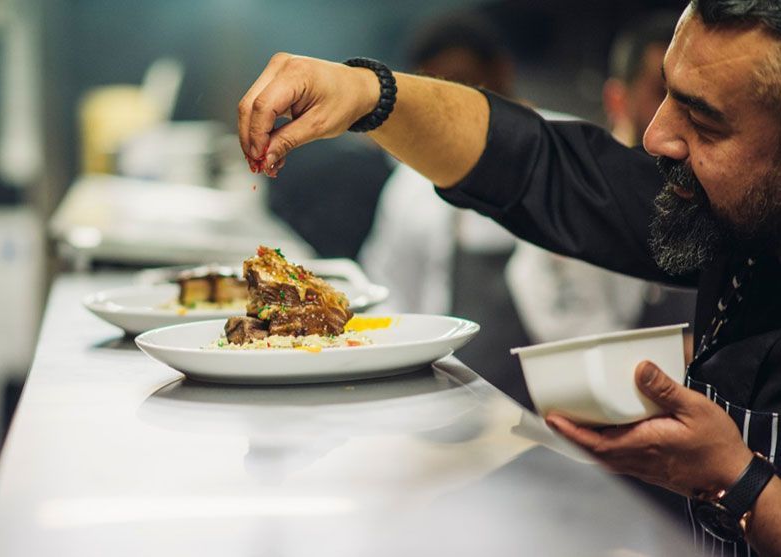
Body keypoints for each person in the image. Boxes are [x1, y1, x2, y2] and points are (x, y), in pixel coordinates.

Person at [236, 1, 781, 554]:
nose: (656, 136)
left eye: (706, 122)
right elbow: (541, 166)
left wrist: (740, 483)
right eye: (664, 94)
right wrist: (368, 95)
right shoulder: (728, 215)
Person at [358, 12, 535, 408]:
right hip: (447, 404)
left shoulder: (564, 165)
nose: (445, 105)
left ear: (501, 72)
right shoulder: (410, 186)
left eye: (459, 84)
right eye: (431, 88)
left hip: (559, 407)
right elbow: (387, 292)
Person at [506, 12, 696, 351]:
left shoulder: (700, 190)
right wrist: (703, 353)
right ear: (618, 100)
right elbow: (583, 353)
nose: (677, 120)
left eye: (692, 102)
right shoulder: (576, 197)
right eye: (661, 94)